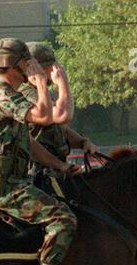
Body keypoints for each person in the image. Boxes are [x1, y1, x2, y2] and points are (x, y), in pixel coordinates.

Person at [0, 38, 79, 265]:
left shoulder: (10, 93)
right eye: (25, 62)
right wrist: (43, 83)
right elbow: (45, 116)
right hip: (3, 184)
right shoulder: (1, 94)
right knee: (64, 219)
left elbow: (28, 144)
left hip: (12, 179)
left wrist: (60, 164)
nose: (28, 66)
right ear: (14, 65)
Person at [21, 42, 97, 200]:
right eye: (48, 67)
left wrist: (82, 142)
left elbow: (57, 126)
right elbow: (63, 115)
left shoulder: (39, 92)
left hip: (53, 172)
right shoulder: (26, 93)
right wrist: (63, 83)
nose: (53, 71)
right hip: (37, 175)